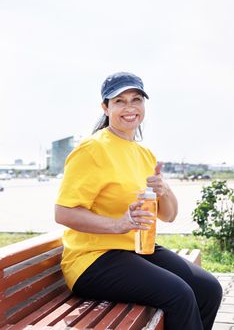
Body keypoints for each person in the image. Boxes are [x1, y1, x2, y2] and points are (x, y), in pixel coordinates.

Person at [55, 72, 222, 330]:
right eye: (119, 101)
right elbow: (63, 213)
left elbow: (169, 215)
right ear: (105, 107)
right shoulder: (92, 149)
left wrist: (164, 190)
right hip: (92, 259)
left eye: (136, 99)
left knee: (209, 289)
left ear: (144, 105)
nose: (130, 107)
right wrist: (118, 225)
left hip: (136, 249)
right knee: (180, 294)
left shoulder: (144, 154)